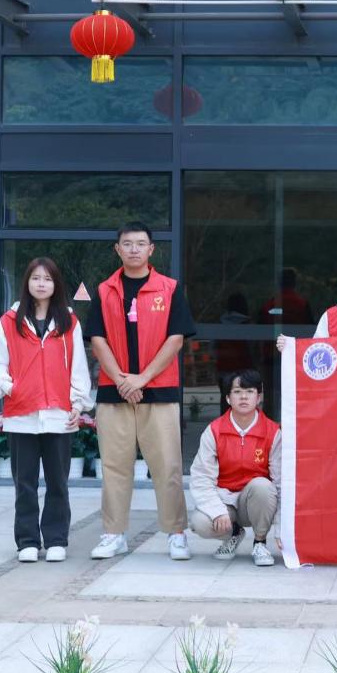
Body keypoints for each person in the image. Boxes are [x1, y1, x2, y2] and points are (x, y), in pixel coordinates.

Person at [83, 221, 198, 561]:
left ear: (151, 249)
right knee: (114, 468)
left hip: (159, 391)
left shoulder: (170, 288)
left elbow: (176, 339)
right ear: (117, 249)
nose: (134, 249)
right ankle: (113, 534)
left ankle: (176, 534)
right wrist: (122, 379)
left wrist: (142, 379)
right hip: (113, 392)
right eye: (127, 243)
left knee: (167, 467)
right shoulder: (105, 290)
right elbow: (97, 339)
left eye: (140, 243)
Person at [0, 258, 92, 563]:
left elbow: (78, 367)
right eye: (36, 278)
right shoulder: (9, 322)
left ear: (56, 285)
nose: (41, 284)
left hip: (59, 416)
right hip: (22, 417)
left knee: (58, 483)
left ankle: (56, 539)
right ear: (27, 283)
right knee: (25, 484)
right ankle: (27, 541)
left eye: (47, 279)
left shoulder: (69, 322)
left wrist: (78, 403)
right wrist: (10, 388)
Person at [188, 369, 281, 566]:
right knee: (200, 523)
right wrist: (217, 511)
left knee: (263, 485)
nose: (244, 397)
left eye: (250, 391)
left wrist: (281, 527)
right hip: (225, 502)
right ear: (228, 398)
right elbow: (201, 477)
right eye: (237, 392)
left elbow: (281, 481)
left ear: (259, 397)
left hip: (256, 502)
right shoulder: (214, 430)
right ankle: (234, 533)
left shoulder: (273, 432)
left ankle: (260, 542)